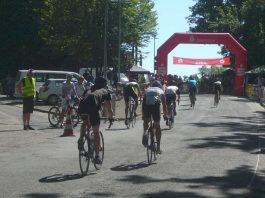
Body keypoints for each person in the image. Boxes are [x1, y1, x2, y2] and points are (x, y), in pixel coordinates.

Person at [78, 76, 114, 164]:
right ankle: (97, 157)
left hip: (82, 108)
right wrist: (110, 117)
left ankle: (81, 138)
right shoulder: (104, 91)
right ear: (104, 84)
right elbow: (109, 107)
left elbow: (83, 100)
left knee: (85, 122)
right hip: (93, 109)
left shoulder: (88, 90)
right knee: (96, 132)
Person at [142, 80, 167, 154]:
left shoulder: (147, 90)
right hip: (156, 106)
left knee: (146, 121)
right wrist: (165, 114)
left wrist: (143, 115)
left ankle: (145, 132)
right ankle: (158, 147)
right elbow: (164, 105)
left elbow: (143, 103)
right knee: (157, 125)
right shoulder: (161, 91)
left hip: (146, 105)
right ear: (160, 86)